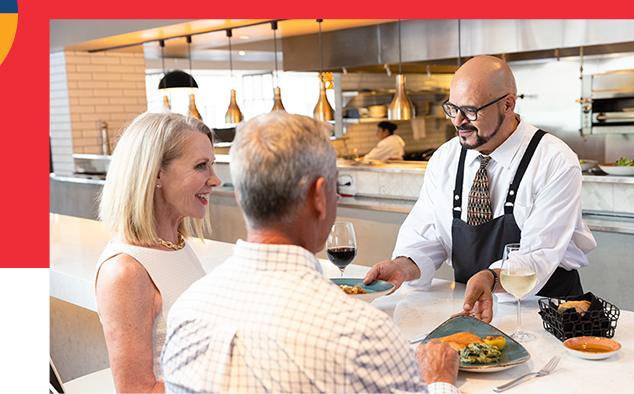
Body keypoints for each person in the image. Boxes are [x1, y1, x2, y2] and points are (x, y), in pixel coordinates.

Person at [162, 111, 461, 394]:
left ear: (241, 196)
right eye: (334, 186)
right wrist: (439, 380)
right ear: (319, 196)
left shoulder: (187, 310)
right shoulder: (363, 333)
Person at [364, 55, 597, 323]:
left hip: (544, 312)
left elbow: (538, 255)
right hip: (471, 309)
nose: (458, 121)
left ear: (508, 104)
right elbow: (427, 235)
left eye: (471, 110)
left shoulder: (554, 160)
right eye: (452, 108)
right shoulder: (445, 158)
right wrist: (402, 267)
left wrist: (490, 277)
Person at [95, 110, 221, 393]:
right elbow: (137, 391)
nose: (215, 180)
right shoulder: (125, 271)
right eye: (201, 166)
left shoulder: (174, 244)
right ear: (155, 174)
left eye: (212, 165)